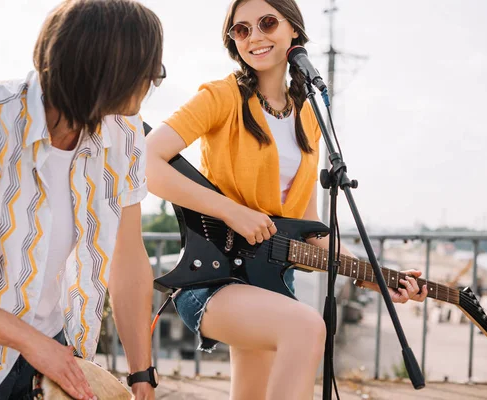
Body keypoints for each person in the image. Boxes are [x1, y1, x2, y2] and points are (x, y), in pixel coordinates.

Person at [146, 0, 428, 399]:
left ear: (293, 28)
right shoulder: (221, 96)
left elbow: (310, 227)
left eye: (266, 23)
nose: (255, 36)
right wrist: (232, 211)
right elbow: (146, 161)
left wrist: (376, 278)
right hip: (212, 276)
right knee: (307, 326)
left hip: (272, 277)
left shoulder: (309, 115)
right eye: (241, 30)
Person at [0, 1, 164, 399]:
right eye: (151, 70)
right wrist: (30, 341)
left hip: (53, 359)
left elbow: (128, 258)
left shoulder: (126, 135)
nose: (155, 81)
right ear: (111, 70)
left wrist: (141, 373)